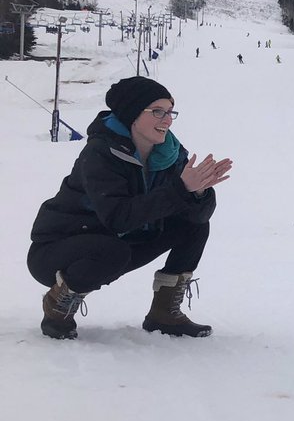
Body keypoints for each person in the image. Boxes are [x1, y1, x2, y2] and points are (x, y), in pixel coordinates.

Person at [28, 77, 233, 339]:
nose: (167, 120)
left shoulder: (169, 153)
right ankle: (58, 307)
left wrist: (198, 193)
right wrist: (181, 189)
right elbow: (118, 217)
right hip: (58, 252)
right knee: (113, 251)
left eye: (170, 112)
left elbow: (197, 214)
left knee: (194, 225)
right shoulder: (101, 153)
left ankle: (164, 314)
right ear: (132, 113)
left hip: (120, 242)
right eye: (158, 111)